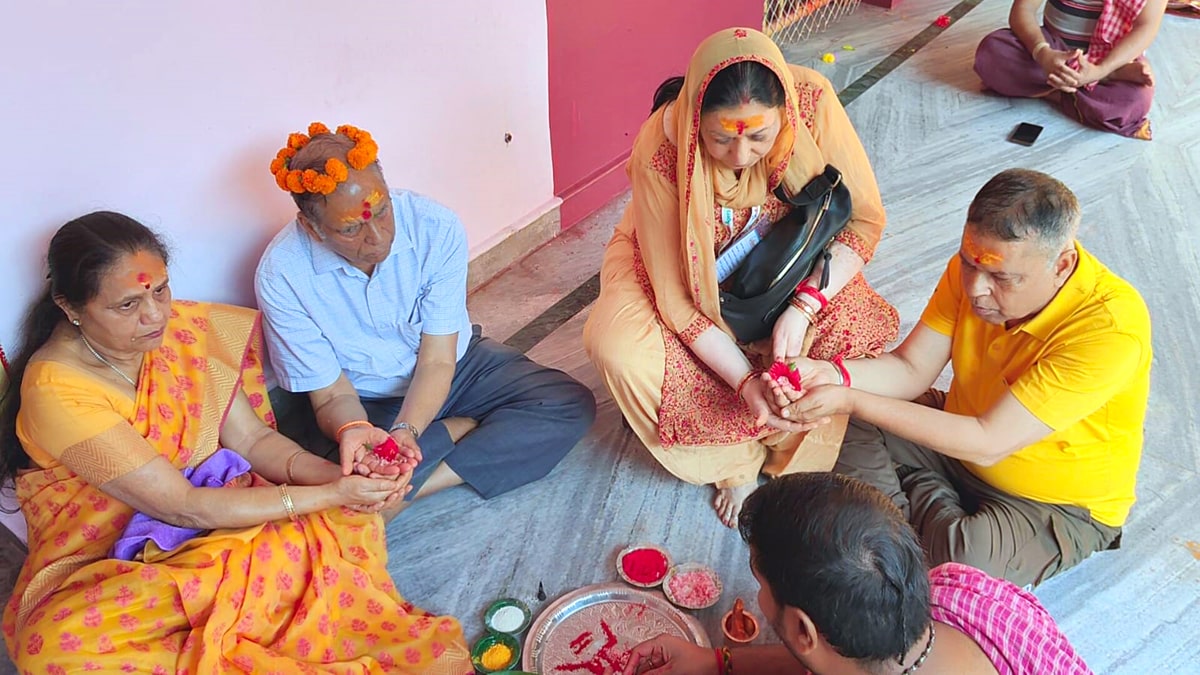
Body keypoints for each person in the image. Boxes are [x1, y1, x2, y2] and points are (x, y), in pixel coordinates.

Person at [0, 212, 474, 672]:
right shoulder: (56, 391)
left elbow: (254, 439)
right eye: (128, 305)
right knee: (55, 650)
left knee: (342, 525)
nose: (155, 315)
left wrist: (347, 480)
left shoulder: (179, 333)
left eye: (161, 291)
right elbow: (182, 507)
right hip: (115, 556)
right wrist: (330, 495)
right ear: (69, 307)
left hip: (217, 512)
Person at [582, 28, 898, 527]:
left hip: (783, 256)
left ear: (786, 118)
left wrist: (805, 306)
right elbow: (681, 305)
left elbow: (861, 221)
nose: (741, 158)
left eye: (760, 137)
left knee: (843, 330)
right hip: (678, 268)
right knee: (619, 346)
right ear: (693, 126)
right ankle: (731, 465)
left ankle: (785, 449)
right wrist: (746, 380)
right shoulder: (662, 150)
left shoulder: (811, 100)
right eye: (720, 140)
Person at [781, 169, 1151, 588]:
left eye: (1001, 278)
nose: (975, 288)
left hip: (1048, 501)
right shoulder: (973, 269)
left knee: (962, 561)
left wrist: (848, 397)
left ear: (1062, 265)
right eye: (968, 263)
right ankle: (909, 532)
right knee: (841, 415)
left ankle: (896, 526)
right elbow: (910, 369)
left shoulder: (1109, 328)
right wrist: (833, 375)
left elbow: (989, 442)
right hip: (958, 438)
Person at [256, 123, 596, 519]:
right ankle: (459, 429)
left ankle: (412, 489)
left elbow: (438, 359)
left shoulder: (434, 227)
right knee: (342, 476)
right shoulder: (281, 275)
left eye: (382, 212)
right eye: (351, 229)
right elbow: (332, 397)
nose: (377, 237)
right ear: (311, 229)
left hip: (455, 367)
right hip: (366, 400)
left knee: (568, 404)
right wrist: (353, 430)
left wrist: (407, 433)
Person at [623, 473, 1093, 675]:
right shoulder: (966, 590)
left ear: (803, 628)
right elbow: (839, 657)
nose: (756, 593)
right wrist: (717, 662)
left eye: (760, 581)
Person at [973, 0, 1167, 139]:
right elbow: (1022, 9)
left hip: (1110, 58)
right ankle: (1078, 88)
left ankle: (1103, 76)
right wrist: (1042, 53)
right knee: (993, 51)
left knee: (1135, 101)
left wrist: (1101, 69)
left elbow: (1145, 28)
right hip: (1053, 49)